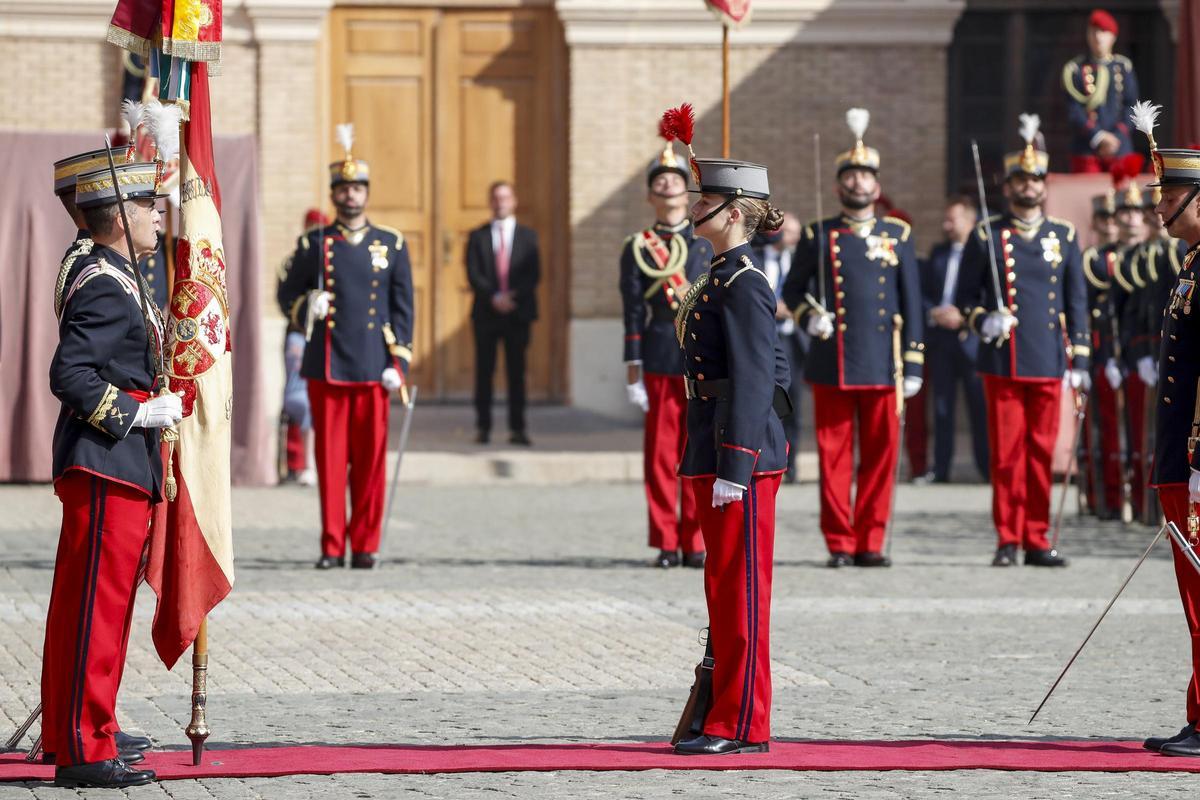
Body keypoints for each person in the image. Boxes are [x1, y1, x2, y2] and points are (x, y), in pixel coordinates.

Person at [42, 159, 179, 788]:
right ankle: (82, 747)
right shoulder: (103, 278)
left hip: (116, 467)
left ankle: (84, 724)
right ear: (121, 216)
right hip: (106, 464)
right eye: (148, 205)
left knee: (101, 608)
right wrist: (139, 412)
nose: (158, 214)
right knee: (94, 610)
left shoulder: (117, 272)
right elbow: (70, 374)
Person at [663, 103, 790, 756]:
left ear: (734, 211)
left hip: (737, 454)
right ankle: (726, 713)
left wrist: (738, 464)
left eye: (704, 198)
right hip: (713, 443)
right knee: (722, 592)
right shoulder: (719, 277)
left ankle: (742, 723)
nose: (693, 207)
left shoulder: (744, 283)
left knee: (741, 595)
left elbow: (756, 377)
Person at [783, 108, 924, 568]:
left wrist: (916, 363)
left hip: (885, 363)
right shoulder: (817, 234)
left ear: (877, 187)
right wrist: (809, 317)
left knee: (881, 461)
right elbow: (792, 289)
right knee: (835, 459)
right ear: (838, 185)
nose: (859, 183)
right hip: (834, 359)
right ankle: (840, 543)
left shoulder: (897, 234)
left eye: (866, 176)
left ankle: (871, 541)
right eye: (851, 176)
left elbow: (911, 303)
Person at [955, 114, 1090, 567]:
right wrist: (984, 321)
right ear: (1007, 185)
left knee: (1040, 455)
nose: (1027, 187)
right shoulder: (986, 234)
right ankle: (1007, 538)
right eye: (1019, 179)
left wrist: (1083, 360)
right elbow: (963, 300)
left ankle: (1037, 537)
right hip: (1004, 360)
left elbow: (1076, 302)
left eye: (1034, 179)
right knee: (1008, 456)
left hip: (1048, 358)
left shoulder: (1064, 236)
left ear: (1043, 184)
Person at [277, 124, 414, 570]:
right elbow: (285, 297)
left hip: (375, 367)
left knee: (370, 466)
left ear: (366, 194)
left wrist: (400, 361)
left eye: (357, 188)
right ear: (334, 194)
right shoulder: (313, 244)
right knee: (332, 465)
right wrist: (307, 305)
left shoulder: (391, 244)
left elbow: (402, 308)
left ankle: (366, 545)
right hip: (329, 366)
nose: (350, 195)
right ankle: (332, 546)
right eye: (343, 188)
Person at [1131, 101, 1200, 757]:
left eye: (1171, 195)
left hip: (1199, 457)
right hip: (1180, 457)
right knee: (1194, 600)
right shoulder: (1189, 266)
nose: (1160, 206)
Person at [619, 131, 711, 568]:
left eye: (675, 179)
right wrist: (632, 367)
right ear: (651, 194)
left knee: (700, 450)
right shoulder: (637, 247)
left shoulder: (709, 239)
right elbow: (632, 310)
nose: (668, 185)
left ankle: (696, 539)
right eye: (660, 180)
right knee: (660, 454)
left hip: (702, 358)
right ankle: (666, 540)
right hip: (658, 356)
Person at [466, 181, 541, 446]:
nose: (501, 203)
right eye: (496, 198)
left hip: (517, 313)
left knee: (516, 372)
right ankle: (483, 427)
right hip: (486, 313)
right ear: (490, 201)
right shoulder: (478, 236)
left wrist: (512, 297)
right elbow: (473, 273)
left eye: (505, 197)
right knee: (484, 371)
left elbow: (533, 274)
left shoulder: (528, 237)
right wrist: (494, 297)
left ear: (514, 201)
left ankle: (517, 429)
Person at [921, 195, 989, 483]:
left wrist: (965, 317)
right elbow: (921, 293)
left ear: (971, 221)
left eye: (953, 219)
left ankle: (987, 468)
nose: (946, 225)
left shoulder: (985, 254)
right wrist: (935, 313)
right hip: (941, 341)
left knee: (979, 407)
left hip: (971, 339)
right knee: (942, 406)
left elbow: (987, 294)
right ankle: (941, 469)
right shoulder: (937, 253)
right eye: (946, 219)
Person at [753, 213, 806, 483]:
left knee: (791, 402)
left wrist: (794, 311)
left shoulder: (798, 260)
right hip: (763, 341)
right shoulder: (755, 257)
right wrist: (772, 308)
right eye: (791, 231)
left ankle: (791, 462)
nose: (795, 237)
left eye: (797, 232)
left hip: (792, 342)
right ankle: (763, 458)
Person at [277, 208, 328, 486]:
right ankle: (296, 463)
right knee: (299, 400)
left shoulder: (332, 258)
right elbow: (285, 299)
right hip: (299, 333)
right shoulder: (292, 261)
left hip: (325, 337)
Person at [1062, 9, 1140, 174]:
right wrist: (1098, 136)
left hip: (1119, 147)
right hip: (1087, 147)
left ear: (1113, 37)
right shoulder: (1075, 70)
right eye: (1094, 31)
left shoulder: (1123, 68)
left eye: (1103, 32)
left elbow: (1131, 106)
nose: (1098, 37)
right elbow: (1073, 110)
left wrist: (1116, 137)